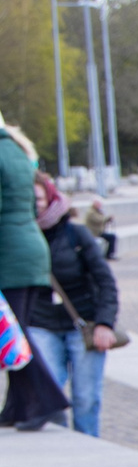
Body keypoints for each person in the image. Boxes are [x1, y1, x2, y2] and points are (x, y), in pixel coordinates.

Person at [29, 175, 120, 438]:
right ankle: (57, 452)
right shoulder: (19, 238)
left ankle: (88, 446)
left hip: (82, 324)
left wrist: (104, 323)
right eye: (29, 200)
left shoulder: (75, 234)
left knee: (85, 398)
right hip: (41, 323)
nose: (35, 206)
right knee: (49, 393)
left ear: (51, 199)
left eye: (39, 199)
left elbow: (105, 282)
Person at [0, 119, 66, 431]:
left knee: (13, 335)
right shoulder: (14, 149)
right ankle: (18, 408)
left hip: (9, 253)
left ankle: (47, 401)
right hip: (28, 248)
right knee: (17, 328)